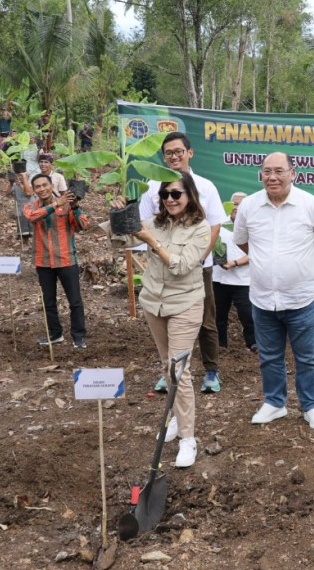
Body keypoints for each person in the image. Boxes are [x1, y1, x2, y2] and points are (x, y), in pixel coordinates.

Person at [112, 170, 210, 468]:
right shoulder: (155, 222)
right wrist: (119, 215)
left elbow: (180, 266)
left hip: (185, 304)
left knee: (179, 369)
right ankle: (178, 419)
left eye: (176, 194)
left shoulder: (201, 228)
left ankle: (188, 438)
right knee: (166, 364)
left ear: (189, 196)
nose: (170, 199)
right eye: (165, 194)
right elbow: (119, 241)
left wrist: (150, 241)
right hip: (154, 302)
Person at [233, 152, 314, 430]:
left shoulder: (312, 205)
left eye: (279, 171)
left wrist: (309, 266)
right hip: (263, 298)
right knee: (268, 355)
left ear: (293, 173)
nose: (272, 177)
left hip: (302, 297)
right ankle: (275, 403)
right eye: (267, 171)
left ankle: (312, 405)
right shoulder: (249, 206)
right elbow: (243, 242)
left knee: (306, 356)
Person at [140, 132, 228, 394]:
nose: (174, 156)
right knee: (163, 316)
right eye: (168, 152)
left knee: (206, 320)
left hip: (198, 263)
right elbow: (143, 225)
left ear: (190, 153)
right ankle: (169, 372)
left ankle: (211, 371)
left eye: (179, 151)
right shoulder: (153, 186)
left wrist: (195, 259)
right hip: (161, 267)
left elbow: (214, 226)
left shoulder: (205, 186)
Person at [23, 174, 89, 348]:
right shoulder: (31, 205)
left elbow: (82, 225)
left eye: (45, 185)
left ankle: (79, 336)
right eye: (38, 186)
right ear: (34, 190)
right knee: (49, 301)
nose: (42, 189)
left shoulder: (67, 204)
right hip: (43, 261)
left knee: (75, 301)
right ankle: (55, 334)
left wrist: (75, 207)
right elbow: (32, 217)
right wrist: (55, 205)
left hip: (67, 258)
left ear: (52, 185)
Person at [212, 192, 256, 352]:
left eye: (241, 204)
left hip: (243, 280)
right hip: (218, 278)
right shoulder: (219, 224)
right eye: (234, 204)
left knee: (248, 314)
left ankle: (253, 343)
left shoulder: (253, 225)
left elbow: (255, 252)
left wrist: (235, 263)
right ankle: (220, 344)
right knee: (218, 315)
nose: (237, 208)